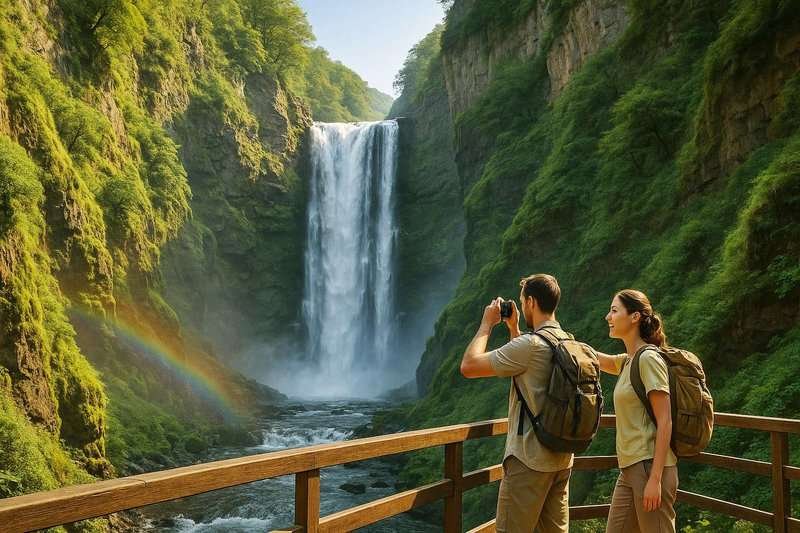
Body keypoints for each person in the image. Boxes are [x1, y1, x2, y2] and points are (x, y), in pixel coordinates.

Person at [460, 274, 573, 533]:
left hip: (529, 460)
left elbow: (469, 366)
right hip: (561, 458)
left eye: (523, 302)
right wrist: (514, 330)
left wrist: (487, 324)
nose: (522, 307)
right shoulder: (567, 341)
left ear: (531, 302)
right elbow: (527, 368)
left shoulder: (530, 346)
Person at [596, 289, 678, 532]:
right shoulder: (629, 360)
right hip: (631, 469)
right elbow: (602, 360)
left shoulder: (648, 359)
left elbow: (665, 421)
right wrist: (565, 343)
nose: (607, 317)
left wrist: (655, 479)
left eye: (614, 310)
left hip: (650, 466)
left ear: (634, 317)